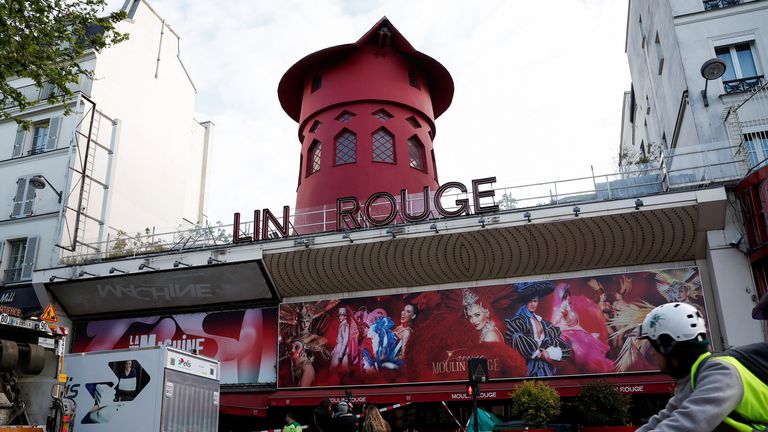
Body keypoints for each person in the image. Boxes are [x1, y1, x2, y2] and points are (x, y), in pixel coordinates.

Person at [636, 302, 768, 431]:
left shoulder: (720, 373)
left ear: (666, 345)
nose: (652, 352)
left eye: (652, 345)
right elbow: (662, 419)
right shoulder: (692, 377)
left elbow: (687, 424)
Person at [505, 281, 571, 377]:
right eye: (530, 301)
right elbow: (517, 341)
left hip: (546, 367)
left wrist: (548, 353)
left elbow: (562, 346)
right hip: (527, 369)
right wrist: (537, 353)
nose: (533, 304)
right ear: (525, 302)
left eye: (535, 301)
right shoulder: (517, 322)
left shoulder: (544, 323)